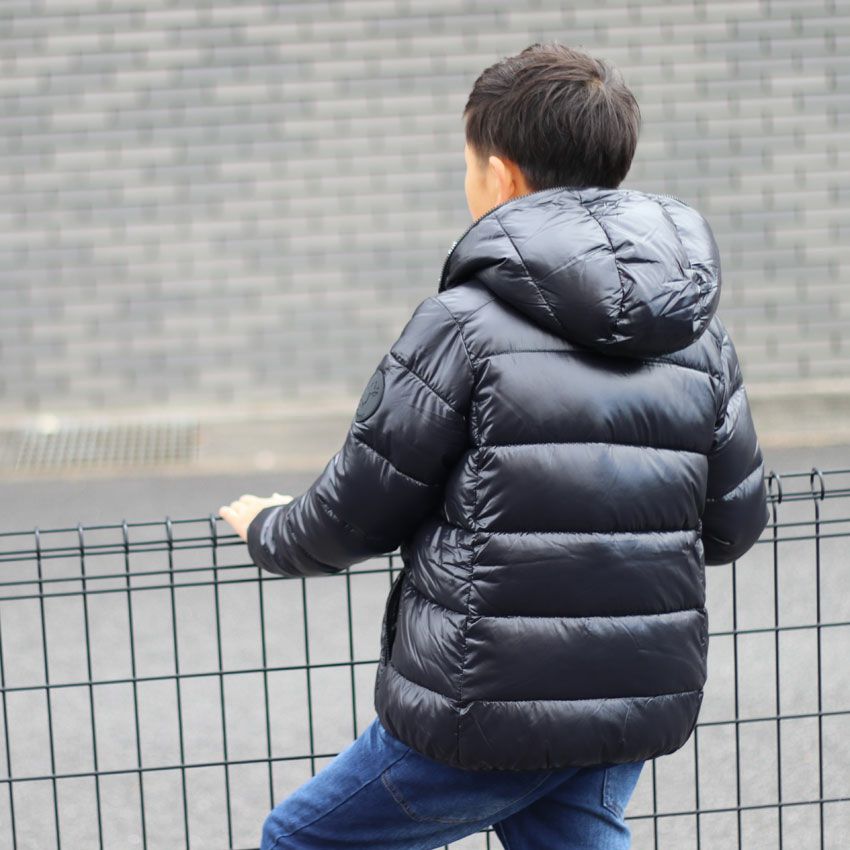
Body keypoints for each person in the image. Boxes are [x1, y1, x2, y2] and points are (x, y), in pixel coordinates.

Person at [219, 41, 769, 850]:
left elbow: (360, 509)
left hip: (486, 701)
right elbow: (732, 527)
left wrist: (268, 528)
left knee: (301, 840)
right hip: (634, 692)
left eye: (468, 164)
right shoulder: (699, 336)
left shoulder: (462, 328)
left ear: (501, 175)